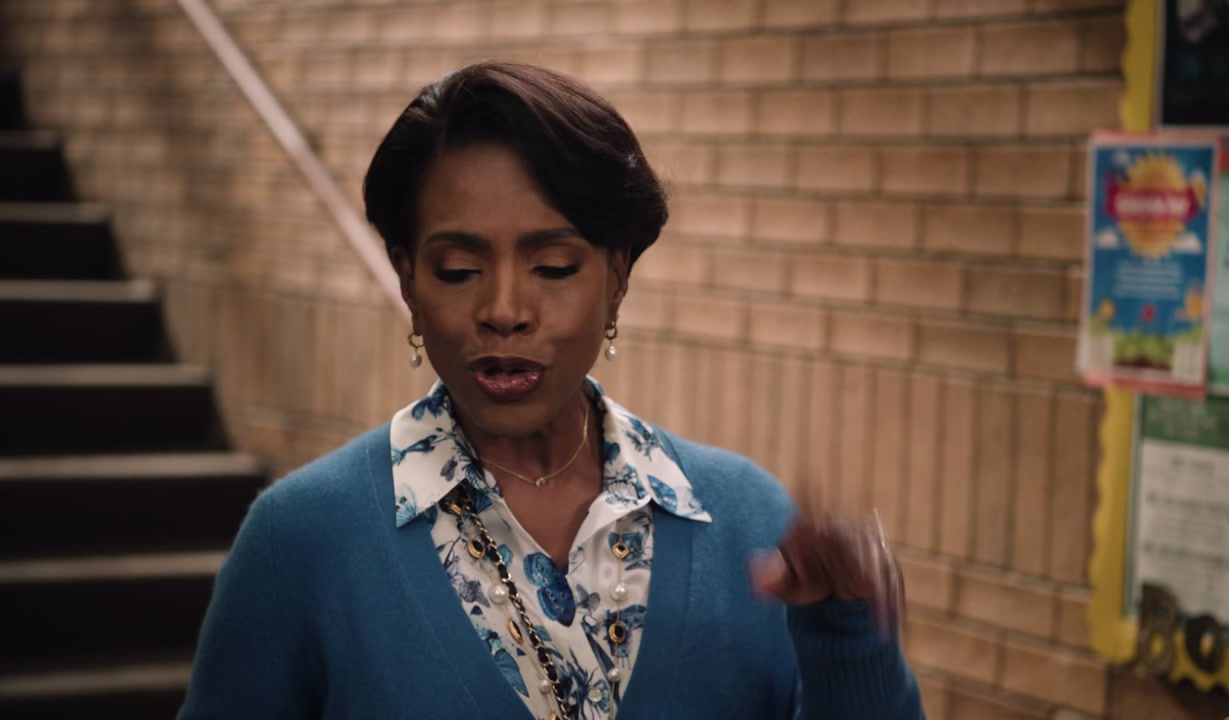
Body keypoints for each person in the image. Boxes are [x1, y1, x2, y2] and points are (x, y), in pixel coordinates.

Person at [178, 61, 923, 720]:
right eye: (458, 271)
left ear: (617, 277)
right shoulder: (301, 541)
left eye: (554, 267)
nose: (504, 309)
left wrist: (847, 635)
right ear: (407, 281)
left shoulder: (750, 522)